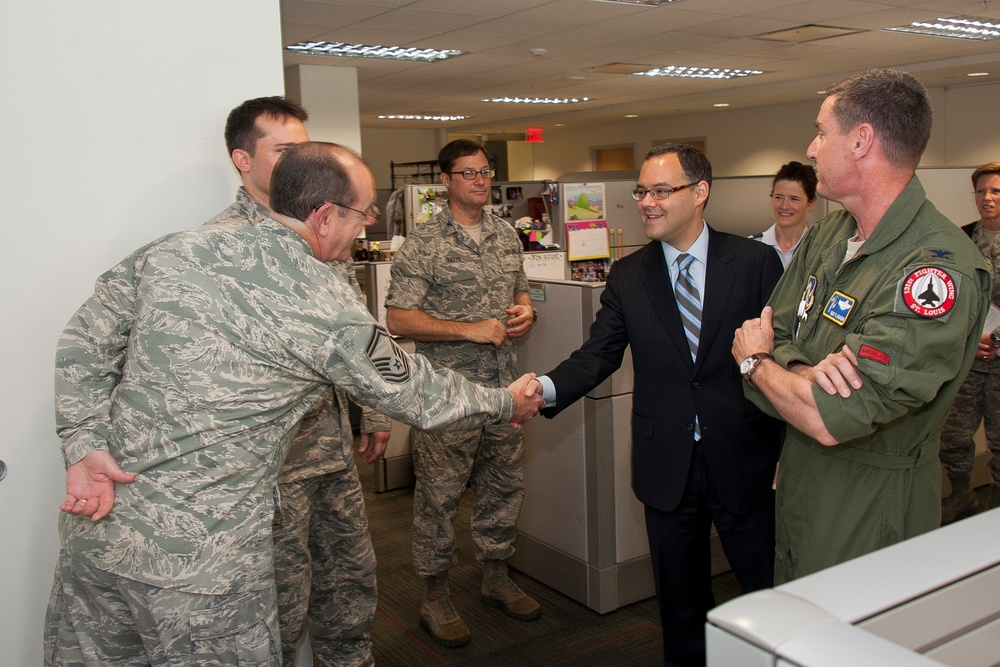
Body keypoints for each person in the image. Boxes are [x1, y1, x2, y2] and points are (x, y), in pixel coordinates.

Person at [46, 141, 545, 667]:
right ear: (324, 215)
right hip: (201, 564)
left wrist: (83, 443)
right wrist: (503, 403)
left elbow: (82, 342)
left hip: (97, 536)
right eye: (364, 211)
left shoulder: (177, 249)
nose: (369, 223)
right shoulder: (316, 294)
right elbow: (410, 388)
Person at [732, 69, 991, 585]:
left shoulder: (934, 271)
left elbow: (832, 415)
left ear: (861, 140)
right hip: (803, 477)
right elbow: (775, 326)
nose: (811, 147)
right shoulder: (830, 232)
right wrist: (803, 369)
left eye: (821, 132)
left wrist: (755, 363)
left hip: (872, 504)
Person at [536, 143, 784, 666]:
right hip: (666, 462)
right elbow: (597, 355)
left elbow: (785, 359)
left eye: (660, 191)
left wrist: (790, 448)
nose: (646, 202)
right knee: (681, 602)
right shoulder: (629, 275)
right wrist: (543, 389)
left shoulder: (755, 262)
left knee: (769, 593)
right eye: (642, 191)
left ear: (700, 193)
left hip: (746, 456)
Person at [210, 96, 391, 666]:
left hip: (333, 451)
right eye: (285, 150)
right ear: (243, 160)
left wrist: (375, 412)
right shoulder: (222, 248)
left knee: (352, 590)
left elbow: (361, 336)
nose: (302, 159)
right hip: (275, 470)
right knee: (281, 610)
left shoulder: (329, 223)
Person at [384, 139, 539, 647]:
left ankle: (495, 578)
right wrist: (469, 329)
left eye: (485, 171)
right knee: (440, 496)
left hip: (504, 388)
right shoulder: (423, 244)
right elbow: (398, 318)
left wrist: (525, 310)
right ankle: (434, 595)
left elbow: (520, 287)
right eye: (468, 173)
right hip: (448, 396)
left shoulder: (505, 235)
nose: (480, 181)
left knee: (503, 485)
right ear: (446, 181)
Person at [939, 161, 1000, 523]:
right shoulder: (962, 238)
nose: (987, 198)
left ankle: (996, 507)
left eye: (995, 191)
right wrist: (969, 338)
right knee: (954, 437)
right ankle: (962, 495)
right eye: (981, 191)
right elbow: (951, 297)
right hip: (969, 358)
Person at [751, 161, 818, 268]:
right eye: (779, 197)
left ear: (810, 204)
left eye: (794, 199)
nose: (784, 206)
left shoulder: (818, 250)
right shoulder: (752, 247)